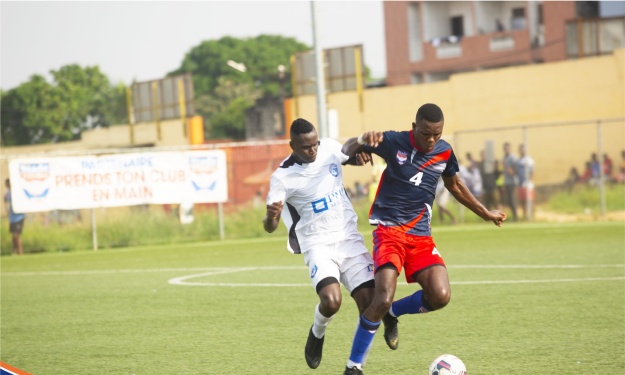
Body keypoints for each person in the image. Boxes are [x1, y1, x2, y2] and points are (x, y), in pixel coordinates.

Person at [340, 103, 507, 375]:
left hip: (420, 237)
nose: (431, 140)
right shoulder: (393, 141)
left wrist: (485, 212)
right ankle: (354, 366)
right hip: (389, 232)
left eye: (437, 135)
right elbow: (347, 148)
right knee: (380, 299)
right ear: (414, 126)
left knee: (440, 295)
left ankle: (392, 314)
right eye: (426, 134)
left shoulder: (444, 152)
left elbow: (455, 186)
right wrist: (360, 141)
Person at [262, 118, 393, 371]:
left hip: (349, 239)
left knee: (369, 305)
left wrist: (363, 144)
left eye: (315, 144)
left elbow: (348, 151)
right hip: (317, 245)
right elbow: (270, 227)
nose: (312, 151)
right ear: (292, 145)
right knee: (332, 301)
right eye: (305, 147)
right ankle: (317, 333)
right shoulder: (282, 177)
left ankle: (355, 367)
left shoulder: (328, 149)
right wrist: (271, 216)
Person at [4, 179, 25, 255]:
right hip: (12, 218)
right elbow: (5, 202)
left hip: (19, 217)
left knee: (16, 235)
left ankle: (20, 253)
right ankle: (13, 252)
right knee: (13, 237)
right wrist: (7, 212)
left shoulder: (17, 192)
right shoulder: (7, 194)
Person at [515, 144, 534, 220]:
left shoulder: (529, 160)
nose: (522, 151)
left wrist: (529, 181)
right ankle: (524, 216)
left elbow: (532, 172)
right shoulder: (519, 160)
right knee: (522, 201)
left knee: (530, 200)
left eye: (523, 149)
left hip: (527, 183)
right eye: (521, 149)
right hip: (520, 183)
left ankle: (531, 216)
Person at [502, 142, 518, 221]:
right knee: (508, 201)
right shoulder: (504, 158)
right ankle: (513, 216)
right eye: (505, 148)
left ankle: (516, 217)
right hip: (507, 182)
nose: (506, 149)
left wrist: (507, 168)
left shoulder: (513, 158)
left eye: (507, 148)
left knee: (512, 200)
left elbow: (514, 172)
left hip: (512, 182)